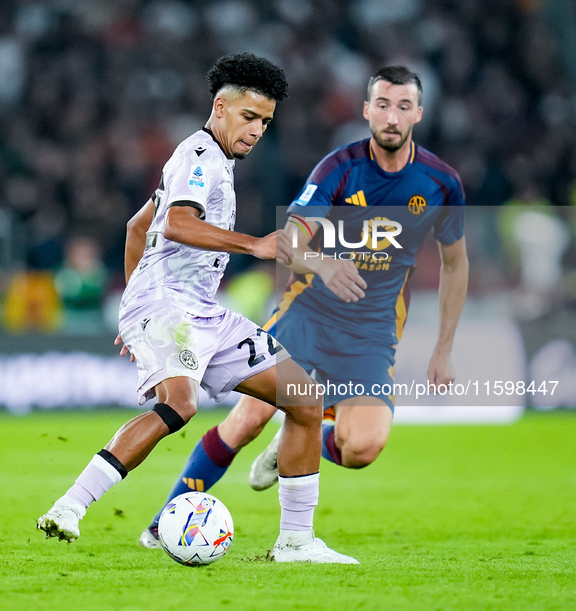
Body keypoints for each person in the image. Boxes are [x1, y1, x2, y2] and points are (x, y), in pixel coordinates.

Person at [37, 53, 358, 564]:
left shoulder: (213, 163)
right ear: (220, 107)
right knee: (180, 405)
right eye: (249, 117)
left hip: (197, 309)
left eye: (265, 123)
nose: (256, 131)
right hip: (171, 305)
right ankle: (70, 507)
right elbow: (178, 225)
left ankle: (297, 542)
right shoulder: (199, 156)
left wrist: (134, 302)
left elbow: (138, 228)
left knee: (304, 399)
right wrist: (248, 248)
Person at [139, 65, 469, 549]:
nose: (392, 116)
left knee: (362, 448)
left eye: (403, 106)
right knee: (246, 418)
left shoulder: (441, 183)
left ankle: (298, 439)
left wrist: (443, 348)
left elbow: (456, 265)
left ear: (418, 113)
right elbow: (291, 239)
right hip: (307, 316)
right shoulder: (338, 168)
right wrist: (323, 263)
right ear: (366, 110)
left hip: (373, 333)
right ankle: (162, 524)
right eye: (382, 104)